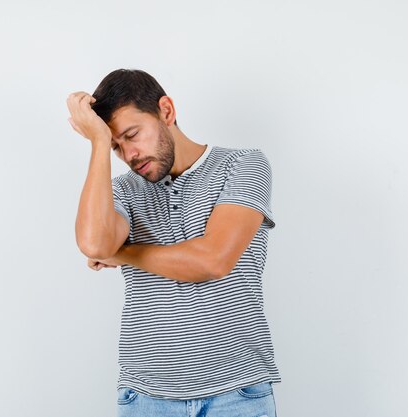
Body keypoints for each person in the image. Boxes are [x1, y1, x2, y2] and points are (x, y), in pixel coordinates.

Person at [66, 69, 281, 417]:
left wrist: (122, 253)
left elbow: (211, 261)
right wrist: (97, 145)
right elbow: (93, 243)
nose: (130, 154)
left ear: (166, 110)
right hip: (145, 396)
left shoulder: (241, 165)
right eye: (116, 146)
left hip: (238, 391)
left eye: (131, 135)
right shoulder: (122, 190)